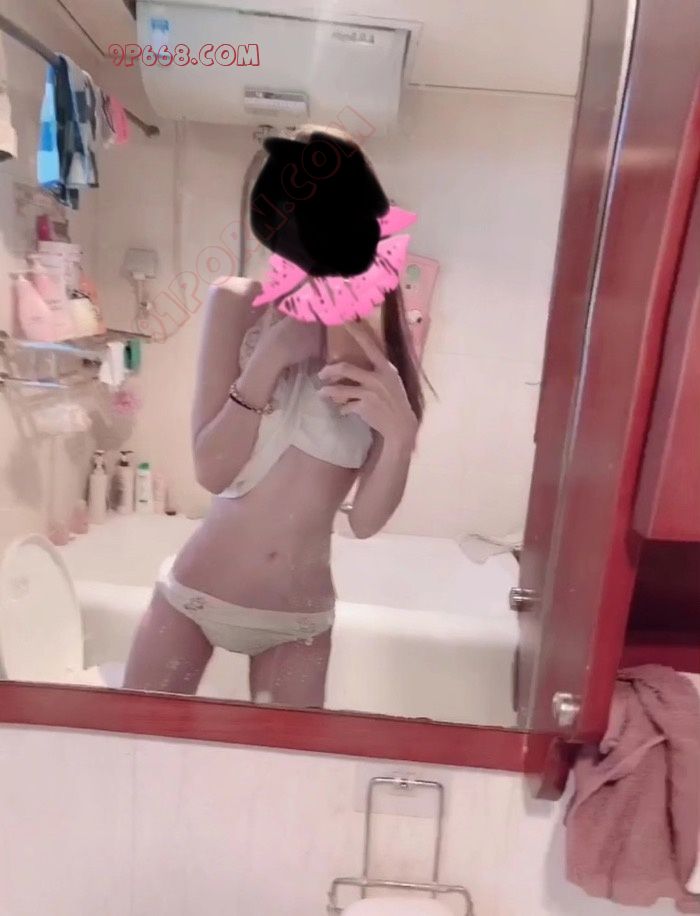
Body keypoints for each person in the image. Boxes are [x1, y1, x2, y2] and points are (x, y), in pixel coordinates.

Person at [123, 126, 424, 708]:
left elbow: (364, 522)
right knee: (134, 751)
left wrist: (401, 436)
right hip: (195, 595)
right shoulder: (237, 303)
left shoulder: (378, 347)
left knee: (281, 767)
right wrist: (269, 358)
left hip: (297, 620)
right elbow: (212, 471)